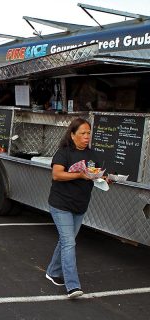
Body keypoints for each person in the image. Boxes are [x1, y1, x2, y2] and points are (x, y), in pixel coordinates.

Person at [45, 118, 103, 299]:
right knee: (69, 242)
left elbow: (96, 175)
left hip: (80, 206)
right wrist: (80, 174)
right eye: (82, 133)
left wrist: (104, 179)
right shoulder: (64, 153)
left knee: (65, 241)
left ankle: (52, 272)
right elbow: (57, 174)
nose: (86, 137)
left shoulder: (93, 155)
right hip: (61, 204)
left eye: (88, 133)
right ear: (72, 134)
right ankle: (72, 285)